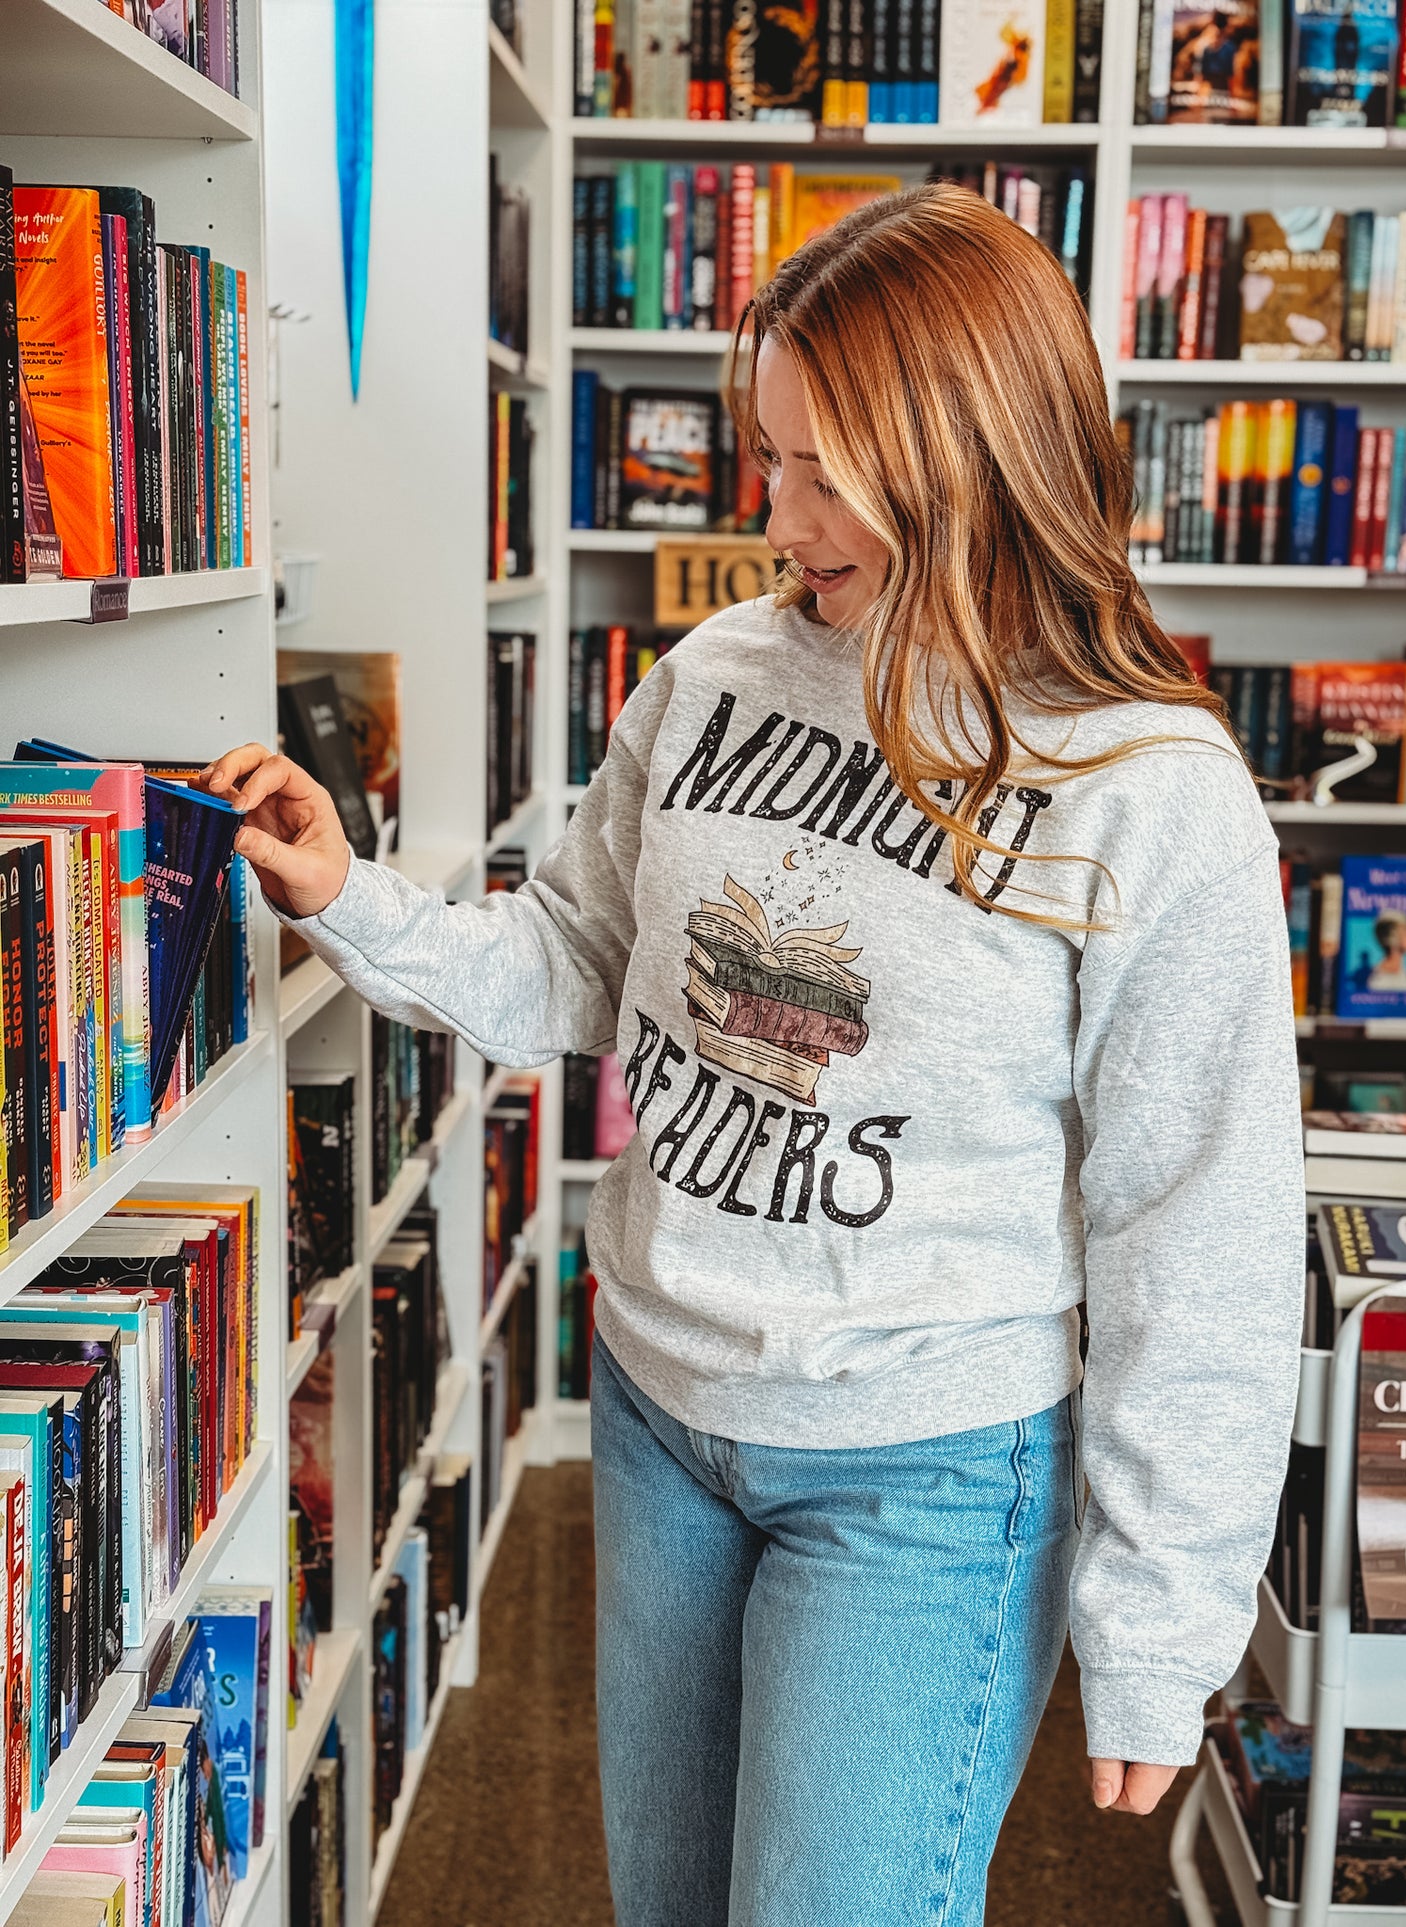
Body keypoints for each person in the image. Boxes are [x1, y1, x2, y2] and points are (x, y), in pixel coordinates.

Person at [201, 184, 1304, 1926]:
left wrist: (1163, 1626)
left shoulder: (1149, 791)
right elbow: (573, 966)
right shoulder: (715, 675)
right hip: (661, 1412)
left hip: (928, 1475)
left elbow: (1199, 1227)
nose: (770, 512)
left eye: (816, 468)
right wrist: (353, 899)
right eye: (763, 453)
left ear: (969, 450)